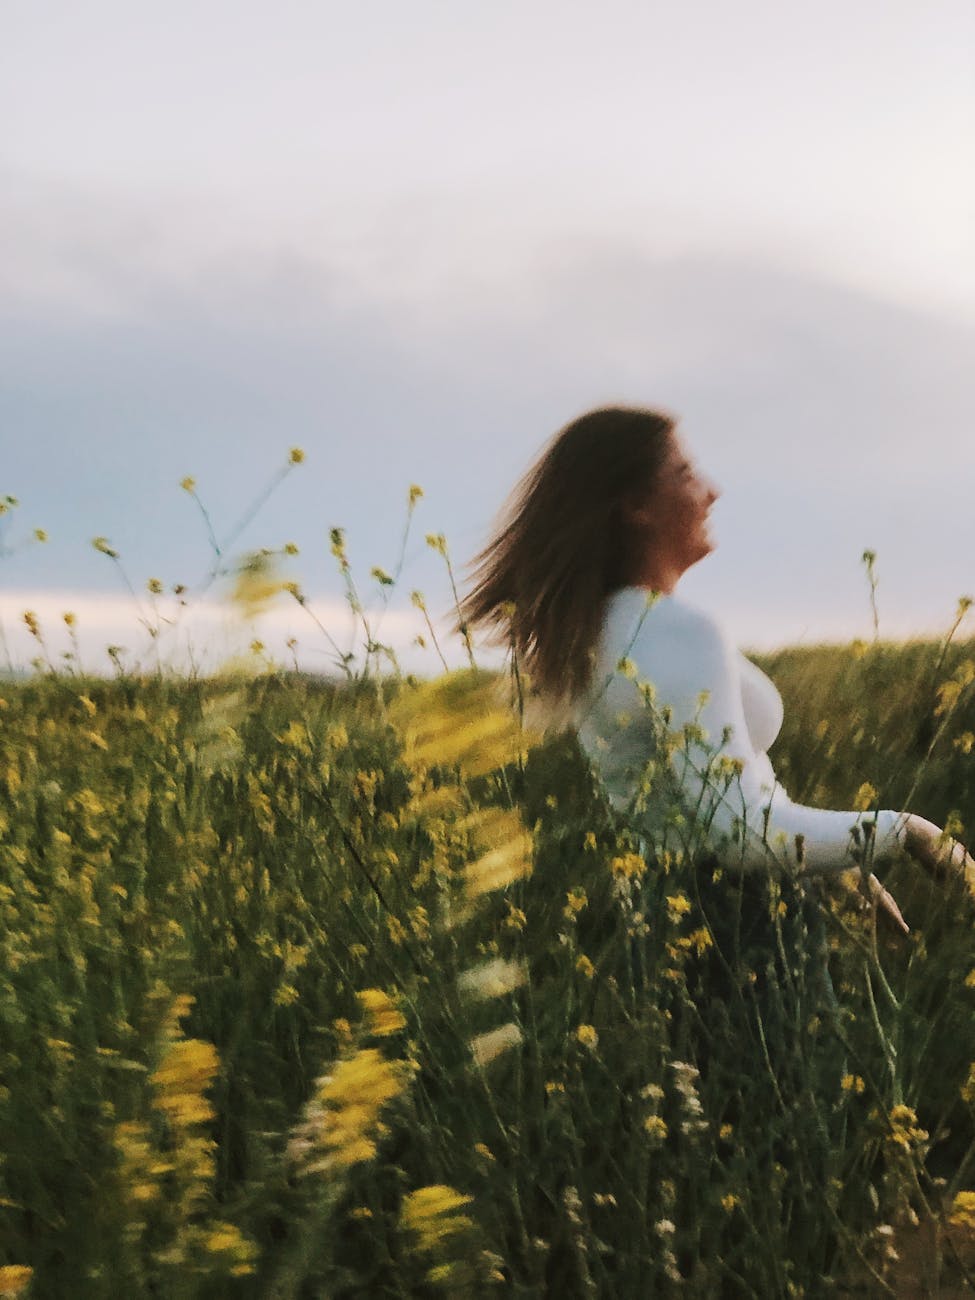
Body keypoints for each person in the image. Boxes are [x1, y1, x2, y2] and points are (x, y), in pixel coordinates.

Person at [455, 404, 973, 920]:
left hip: (668, 914)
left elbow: (708, 799)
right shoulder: (673, 633)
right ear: (637, 505)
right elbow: (740, 833)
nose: (712, 490)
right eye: (685, 473)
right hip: (735, 921)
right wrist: (906, 831)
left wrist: (834, 865)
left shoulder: (598, 632)